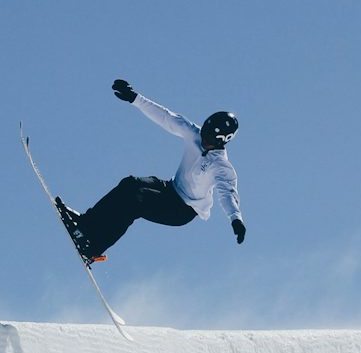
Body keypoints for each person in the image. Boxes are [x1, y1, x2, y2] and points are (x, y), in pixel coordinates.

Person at [55, 79, 246, 262]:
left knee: (135, 201)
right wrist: (135, 98)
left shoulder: (221, 166)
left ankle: (93, 248)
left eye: (209, 140)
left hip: (183, 209)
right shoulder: (194, 133)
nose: (203, 141)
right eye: (204, 134)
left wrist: (235, 218)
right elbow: (166, 117)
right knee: (130, 184)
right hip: (169, 188)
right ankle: (85, 225)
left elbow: (227, 193)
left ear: (221, 141)